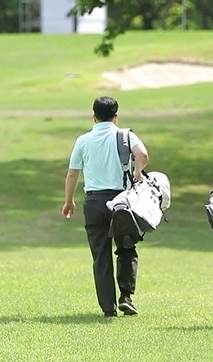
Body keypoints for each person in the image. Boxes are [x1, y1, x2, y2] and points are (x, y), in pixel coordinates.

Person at [62, 96, 149, 318]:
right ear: (116, 117)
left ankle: (108, 308)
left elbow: (73, 173)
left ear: (94, 117)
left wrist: (69, 201)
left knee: (100, 255)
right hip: (122, 202)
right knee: (127, 248)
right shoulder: (126, 135)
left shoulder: (83, 140)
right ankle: (126, 297)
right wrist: (138, 172)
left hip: (94, 202)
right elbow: (143, 154)